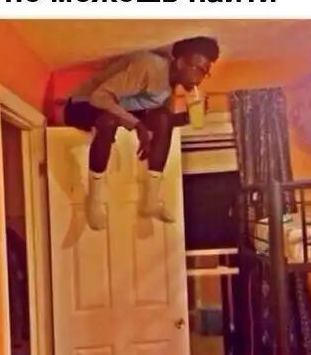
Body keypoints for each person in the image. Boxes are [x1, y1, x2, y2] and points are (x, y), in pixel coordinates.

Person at [59, 36, 220, 230]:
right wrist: (138, 126)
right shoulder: (150, 66)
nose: (200, 78)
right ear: (180, 63)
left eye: (205, 73)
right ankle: (93, 199)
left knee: (163, 116)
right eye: (199, 69)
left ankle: (151, 201)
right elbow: (99, 97)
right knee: (109, 120)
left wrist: (188, 117)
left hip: (119, 108)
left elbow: (164, 122)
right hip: (83, 104)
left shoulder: (169, 89)